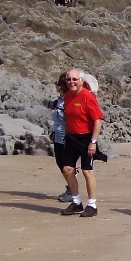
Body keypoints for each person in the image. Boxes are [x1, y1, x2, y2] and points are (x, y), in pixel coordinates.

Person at [60, 69, 103, 217]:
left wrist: (93, 142)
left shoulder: (87, 97)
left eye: (74, 79)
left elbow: (98, 120)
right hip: (72, 138)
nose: (71, 82)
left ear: (82, 81)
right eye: (69, 79)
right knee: (67, 170)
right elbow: (68, 118)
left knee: (87, 171)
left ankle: (92, 205)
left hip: (87, 139)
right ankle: (76, 202)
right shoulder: (67, 97)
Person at [52, 71, 75, 202]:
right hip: (58, 137)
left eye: (57, 84)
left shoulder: (69, 101)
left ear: (61, 86)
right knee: (61, 164)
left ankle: (72, 191)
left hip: (66, 139)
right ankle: (71, 188)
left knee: (66, 166)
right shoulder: (59, 100)